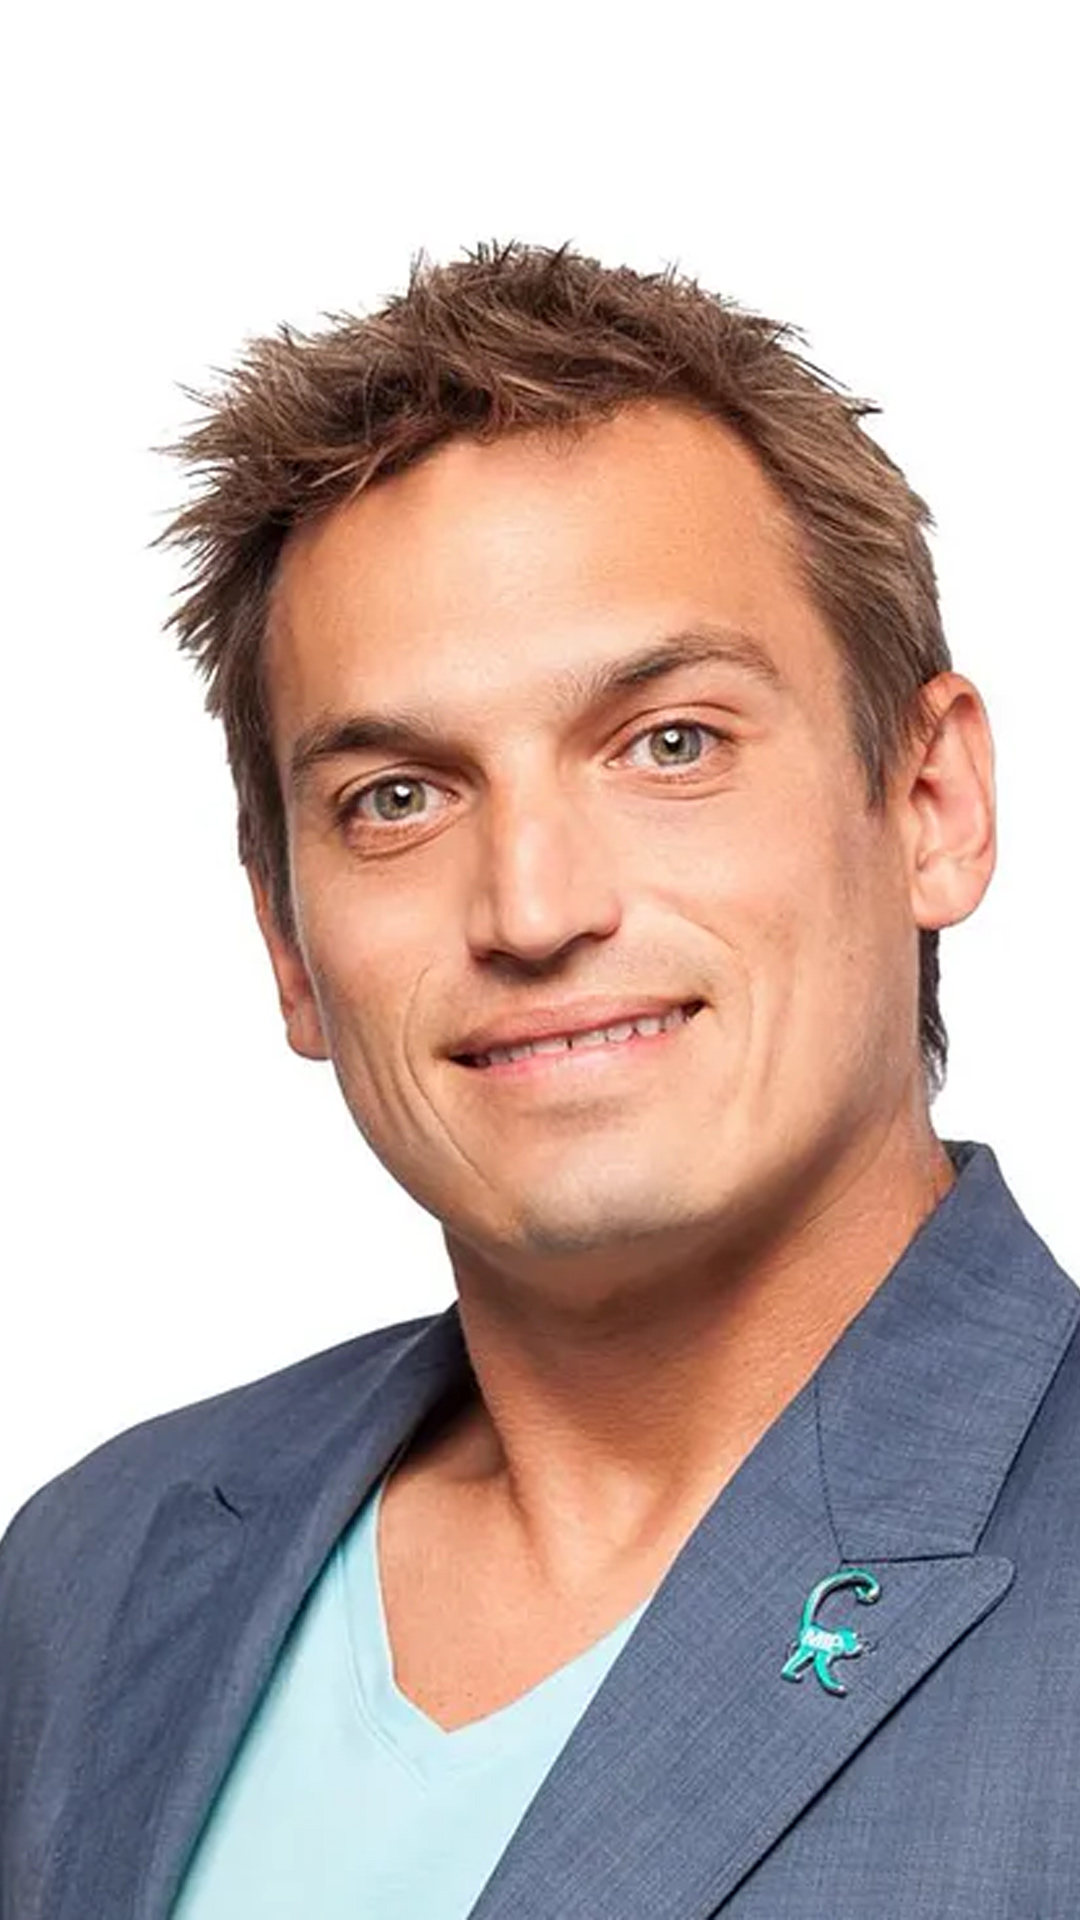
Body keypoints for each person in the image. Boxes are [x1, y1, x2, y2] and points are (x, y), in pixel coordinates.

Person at [1, 241, 1077, 1920]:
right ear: (289, 939)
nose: (533, 907)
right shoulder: (92, 1568)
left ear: (931, 803)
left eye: (671, 744)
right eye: (396, 799)